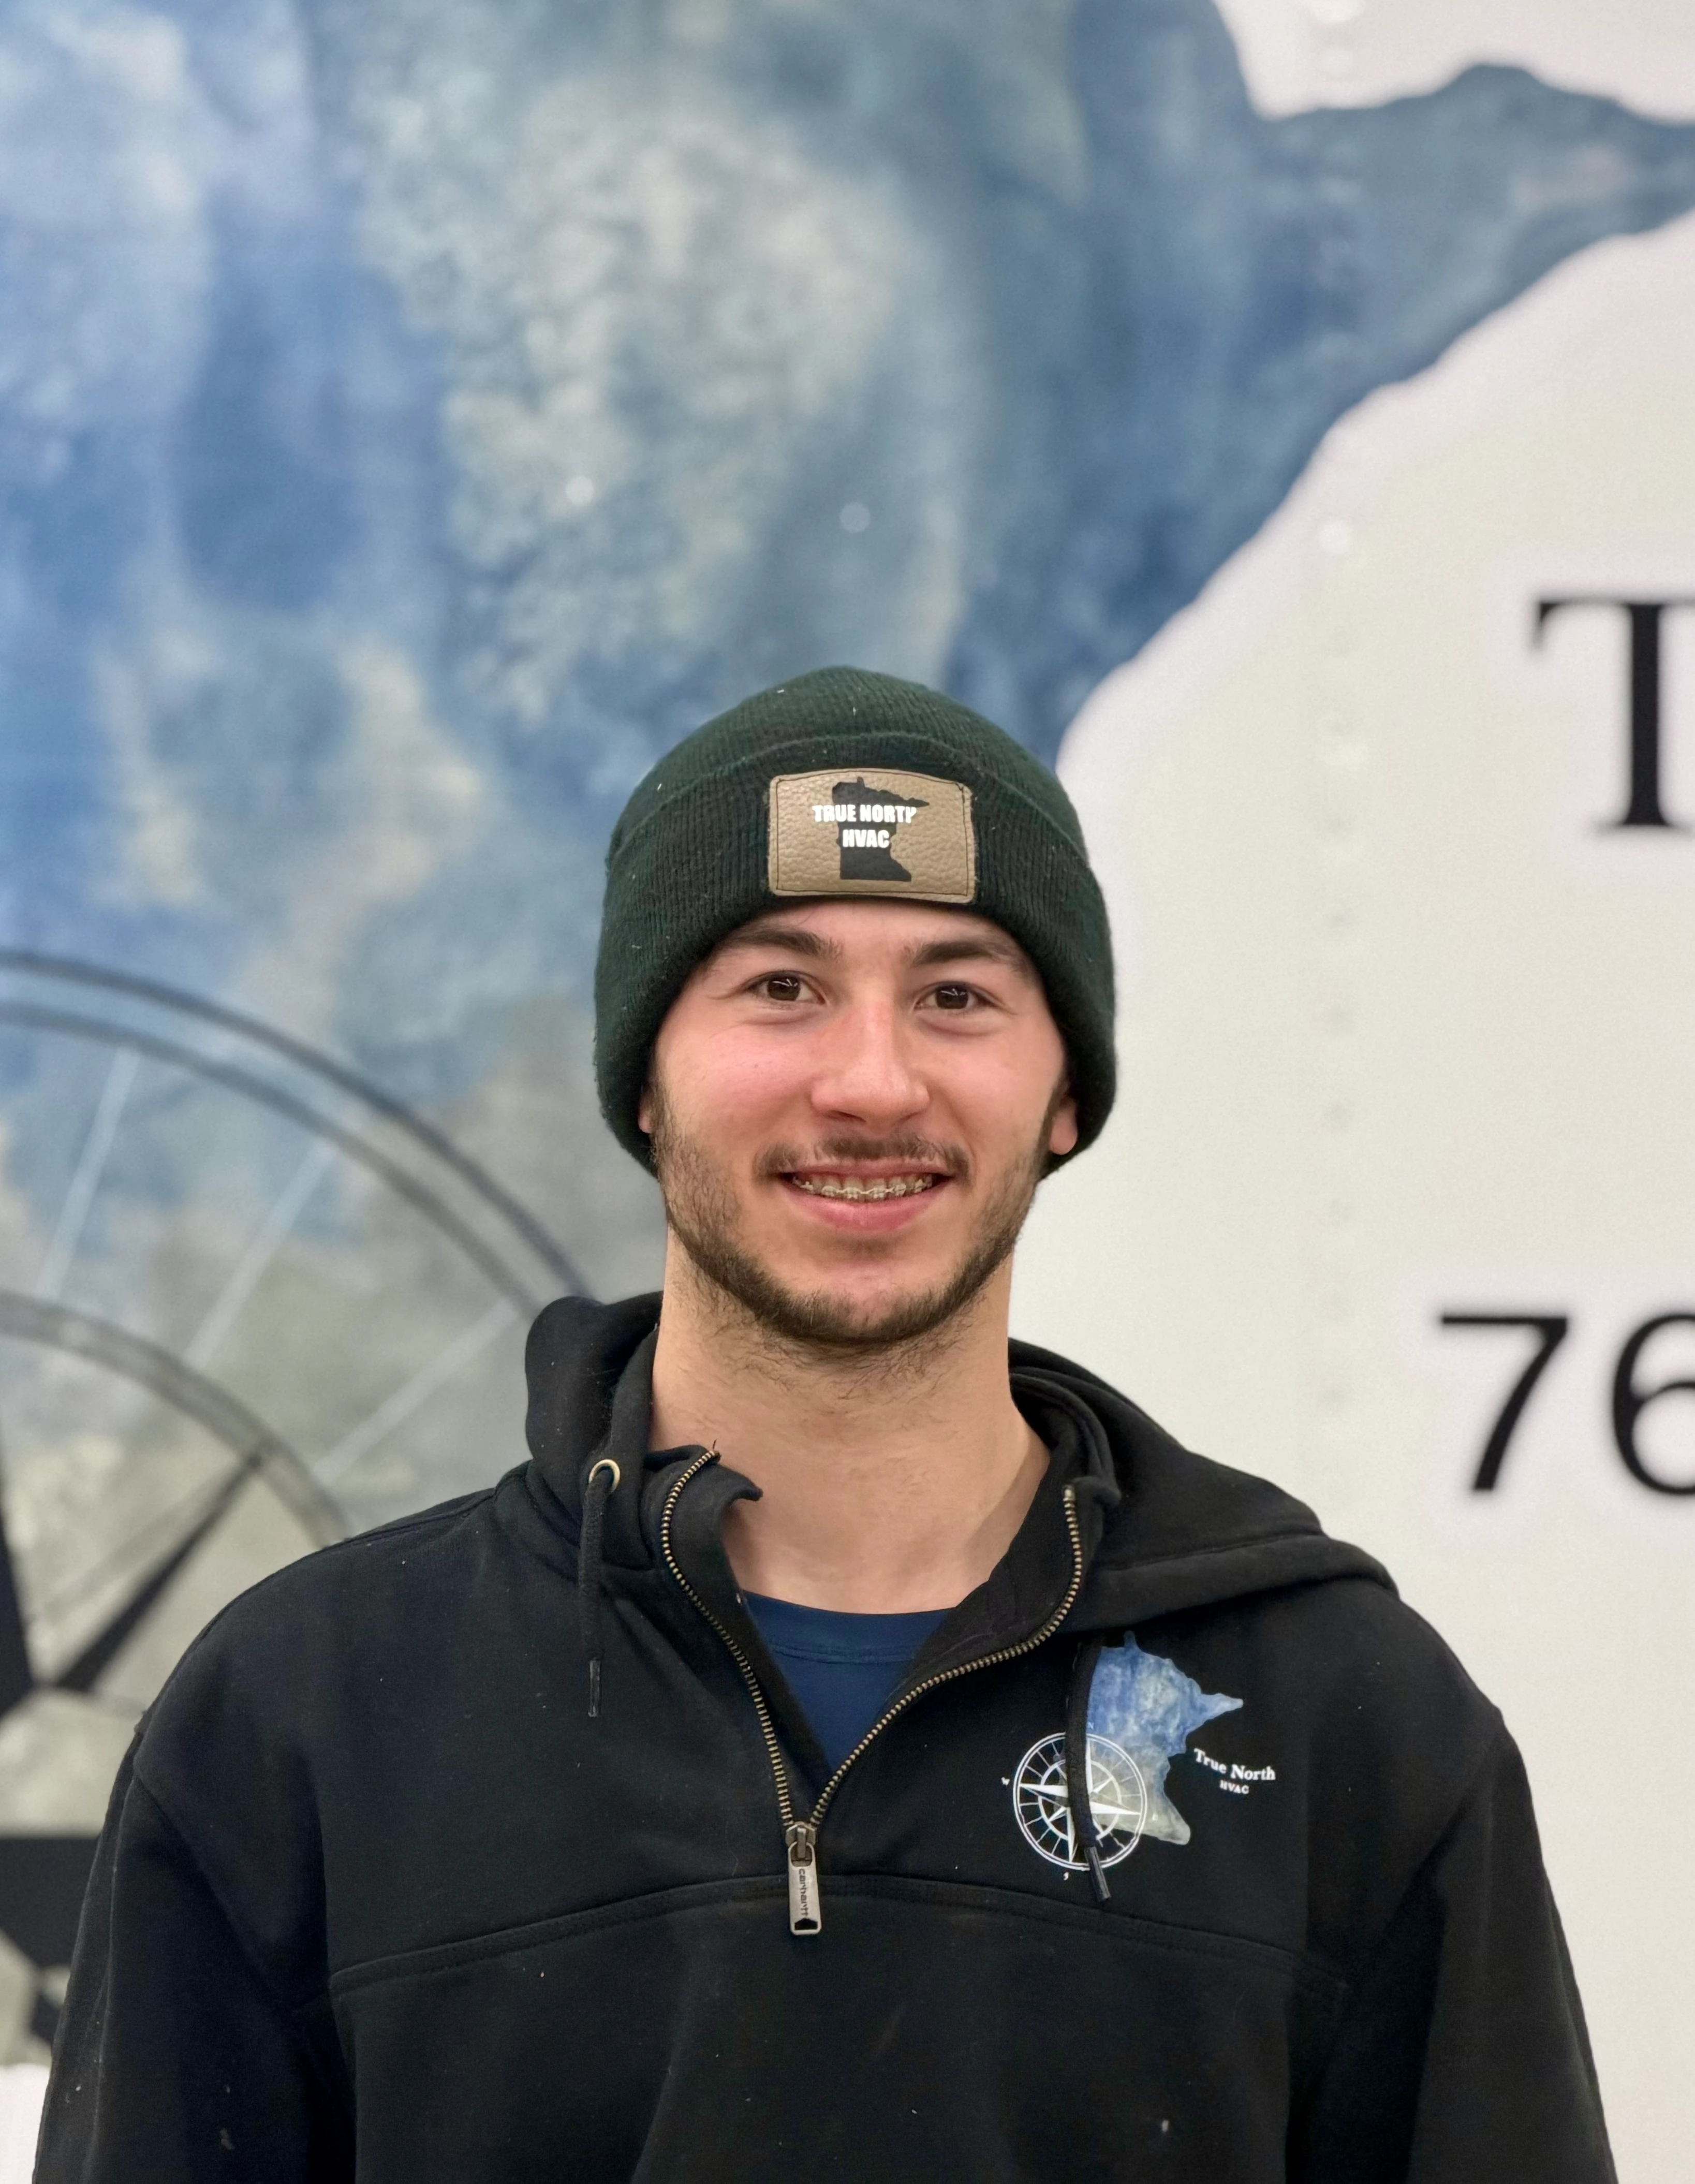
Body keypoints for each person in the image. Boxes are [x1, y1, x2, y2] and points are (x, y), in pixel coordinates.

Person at [37, 667, 1612, 2181]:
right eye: (780, 988)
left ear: (1067, 1094)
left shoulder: (1347, 1729)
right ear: (643, 1075)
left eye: (958, 994)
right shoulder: (306, 1719)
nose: (872, 1082)